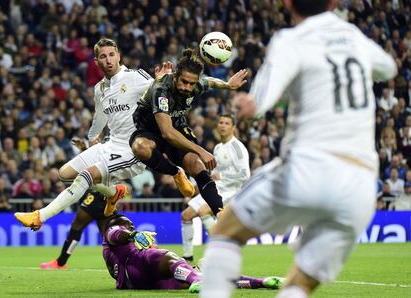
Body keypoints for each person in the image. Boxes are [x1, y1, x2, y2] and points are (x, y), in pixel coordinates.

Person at [199, 1, 397, 297]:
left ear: (286, 3)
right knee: (300, 283)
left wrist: (252, 104)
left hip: (309, 167)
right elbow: (389, 67)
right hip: (360, 186)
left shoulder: (290, 39)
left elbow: (261, 99)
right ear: (333, 3)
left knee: (225, 233)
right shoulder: (354, 35)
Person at [13, 38, 188, 230]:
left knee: (86, 176)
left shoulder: (135, 77)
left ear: (119, 56)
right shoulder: (100, 88)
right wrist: (92, 137)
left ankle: (40, 216)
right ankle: (112, 192)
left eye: (112, 55)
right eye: (103, 56)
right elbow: (100, 117)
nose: (108, 60)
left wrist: (162, 81)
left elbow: (162, 94)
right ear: (96, 61)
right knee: (65, 174)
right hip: (111, 144)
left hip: (134, 149)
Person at [129, 48, 248, 217]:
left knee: (196, 165)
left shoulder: (195, 85)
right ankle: (176, 173)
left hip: (177, 127)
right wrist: (201, 150)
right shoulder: (161, 90)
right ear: (175, 76)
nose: (187, 87)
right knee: (140, 147)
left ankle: (219, 213)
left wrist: (227, 85)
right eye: (184, 82)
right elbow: (167, 133)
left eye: (192, 83)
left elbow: (210, 81)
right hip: (150, 129)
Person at [103, 215, 283, 292]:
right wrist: (133, 234)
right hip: (135, 265)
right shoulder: (113, 232)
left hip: (143, 282)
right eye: (129, 224)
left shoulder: (117, 253)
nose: (132, 226)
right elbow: (115, 234)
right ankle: (196, 280)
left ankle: (261, 282)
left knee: (210, 273)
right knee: (166, 256)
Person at [181, 114, 250, 261]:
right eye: (221, 122)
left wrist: (223, 177)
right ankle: (187, 257)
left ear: (233, 127)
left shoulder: (237, 147)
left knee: (203, 211)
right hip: (218, 189)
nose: (223, 125)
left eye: (227, 123)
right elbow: (216, 174)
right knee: (186, 215)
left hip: (232, 191)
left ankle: (219, 252)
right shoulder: (218, 147)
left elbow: (245, 175)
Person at [40, 191, 114, 269]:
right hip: (109, 198)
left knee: (76, 227)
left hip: (96, 196)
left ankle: (60, 263)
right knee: (107, 234)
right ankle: (120, 263)